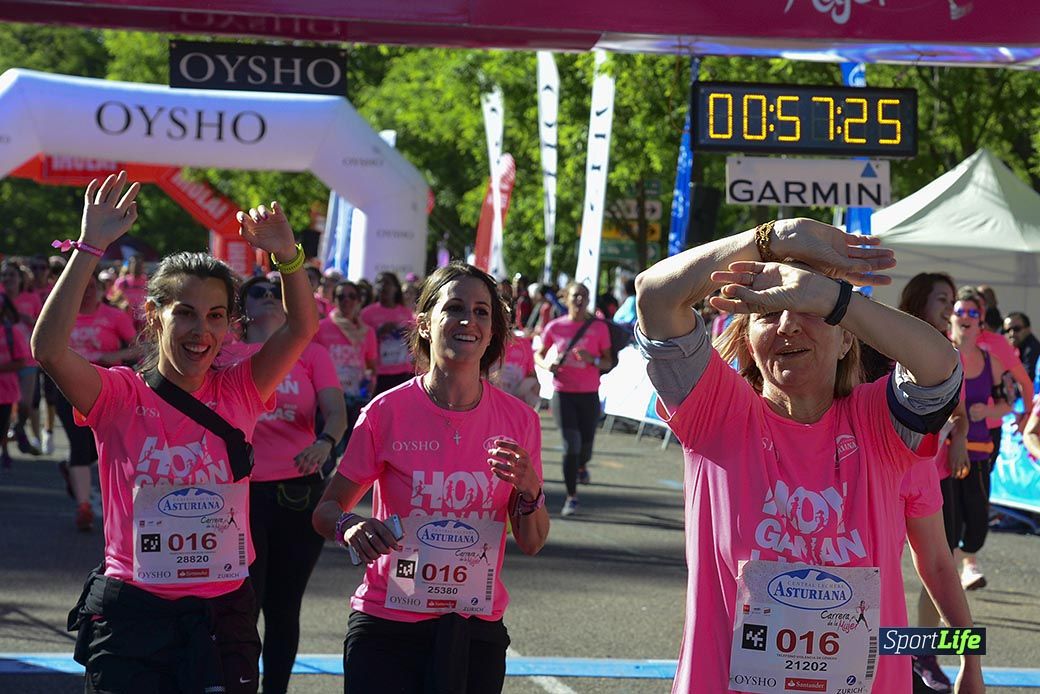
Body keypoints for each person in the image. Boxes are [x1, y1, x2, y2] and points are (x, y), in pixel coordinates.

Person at [634, 218, 983, 694]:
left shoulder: (879, 422)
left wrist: (832, 299)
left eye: (808, 311)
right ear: (746, 344)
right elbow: (654, 295)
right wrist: (770, 239)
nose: (787, 324)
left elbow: (941, 369)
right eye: (765, 312)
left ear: (846, 340)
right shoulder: (717, 413)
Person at [34, 171, 318, 693]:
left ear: (230, 324)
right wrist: (91, 245)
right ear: (153, 315)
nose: (201, 331)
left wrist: (288, 257)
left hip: (223, 613)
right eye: (184, 313)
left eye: (214, 316)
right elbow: (49, 349)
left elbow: (301, 327)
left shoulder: (241, 389)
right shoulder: (118, 395)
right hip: (134, 615)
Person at [312, 262, 549, 694]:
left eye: (481, 312)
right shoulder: (386, 412)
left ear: (494, 329)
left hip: (474, 625)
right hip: (388, 623)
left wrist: (530, 488)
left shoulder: (521, 421)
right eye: (454, 308)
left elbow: (531, 541)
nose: (468, 321)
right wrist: (351, 525)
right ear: (424, 323)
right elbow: (326, 511)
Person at [233, 274, 346, 694]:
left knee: (284, 607)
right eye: (257, 293)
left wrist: (325, 442)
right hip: (239, 495)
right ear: (243, 308)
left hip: (298, 493)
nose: (267, 298)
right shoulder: (226, 351)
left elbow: (336, 412)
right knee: (245, 604)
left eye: (274, 292)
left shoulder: (312, 354)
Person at [534, 282, 613, 516]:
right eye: (576, 296)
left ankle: (582, 465)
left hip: (589, 395)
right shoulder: (555, 327)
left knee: (585, 449)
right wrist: (548, 363)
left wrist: (593, 360)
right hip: (563, 394)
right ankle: (572, 497)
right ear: (566, 299)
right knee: (571, 446)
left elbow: (609, 361)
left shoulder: (599, 328)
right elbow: (537, 353)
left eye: (585, 296)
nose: (580, 300)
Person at [949, 289, 1010, 591]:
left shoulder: (992, 362)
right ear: (951, 316)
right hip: (944, 456)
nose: (966, 318)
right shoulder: (940, 353)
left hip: (978, 454)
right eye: (960, 311)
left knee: (977, 529)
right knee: (950, 524)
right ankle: (949, 573)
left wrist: (988, 409)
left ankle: (956, 563)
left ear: (981, 321)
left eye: (973, 313)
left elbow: (1007, 403)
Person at [313, 280, 378, 444]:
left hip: (356, 397)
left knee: (352, 447)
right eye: (341, 297)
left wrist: (368, 386)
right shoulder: (320, 328)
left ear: (359, 301)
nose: (346, 300)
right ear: (334, 301)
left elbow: (371, 365)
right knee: (328, 450)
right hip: (328, 398)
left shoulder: (367, 332)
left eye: (352, 296)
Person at [1, 260, 43, 455]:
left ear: (20, 278)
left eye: (12, 275)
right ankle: (9, 436)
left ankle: (18, 428)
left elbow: (43, 326)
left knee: (25, 403)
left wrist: (30, 320)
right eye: (4, 275)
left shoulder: (31, 299)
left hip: (27, 358)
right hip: (4, 361)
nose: (8, 278)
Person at [360, 271, 415, 394]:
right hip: (379, 373)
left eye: (387, 283)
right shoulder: (367, 314)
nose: (382, 286)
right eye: (379, 282)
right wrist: (378, 333)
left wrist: (404, 332)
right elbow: (360, 342)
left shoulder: (405, 313)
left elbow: (412, 342)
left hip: (403, 371)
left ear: (396, 288)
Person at [0, 292, 29, 469]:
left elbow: (21, 361)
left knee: (2, 425)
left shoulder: (12, 332)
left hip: (6, 392)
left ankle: (5, 450)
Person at [1003, 311, 1040, 388]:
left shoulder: (1033, 349)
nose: (1012, 333)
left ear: (1028, 329)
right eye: (1007, 330)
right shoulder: (1012, 348)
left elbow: (1027, 380)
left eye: (1016, 329)